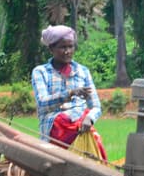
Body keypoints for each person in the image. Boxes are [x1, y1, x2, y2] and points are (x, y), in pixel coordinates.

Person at [31, 25, 106, 160]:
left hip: (82, 128)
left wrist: (90, 118)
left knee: (96, 153)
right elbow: (42, 103)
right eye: (62, 47)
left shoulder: (83, 71)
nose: (67, 51)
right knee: (63, 120)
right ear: (51, 49)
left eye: (70, 47)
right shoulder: (40, 72)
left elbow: (96, 106)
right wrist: (69, 93)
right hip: (55, 129)